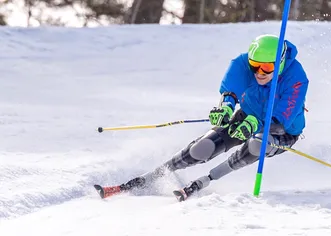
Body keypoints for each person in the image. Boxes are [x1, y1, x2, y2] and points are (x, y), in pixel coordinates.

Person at [94, 34, 309, 201]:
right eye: (255, 66)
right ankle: (154, 175)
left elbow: (283, 119)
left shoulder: (296, 77)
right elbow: (231, 91)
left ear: (280, 62)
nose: (260, 72)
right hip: (248, 115)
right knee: (203, 147)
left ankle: (209, 178)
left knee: (257, 144)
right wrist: (225, 108)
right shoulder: (242, 63)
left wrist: (257, 124)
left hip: (281, 130)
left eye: (267, 68)